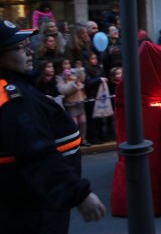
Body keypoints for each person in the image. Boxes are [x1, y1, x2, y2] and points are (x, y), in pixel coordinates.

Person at [0, 19, 105, 233]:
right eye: (19, 48)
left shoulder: (17, 88)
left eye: (27, 45)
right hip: (32, 207)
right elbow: (37, 152)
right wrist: (78, 194)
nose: (28, 52)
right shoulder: (12, 99)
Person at [56, 58, 89, 147]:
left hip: (79, 100)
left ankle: (83, 138)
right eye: (65, 64)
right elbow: (63, 90)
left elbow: (82, 79)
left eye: (69, 64)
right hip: (70, 103)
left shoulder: (74, 72)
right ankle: (75, 140)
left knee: (83, 121)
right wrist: (73, 84)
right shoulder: (60, 77)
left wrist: (80, 69)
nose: (68, 66)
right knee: (74, 123)